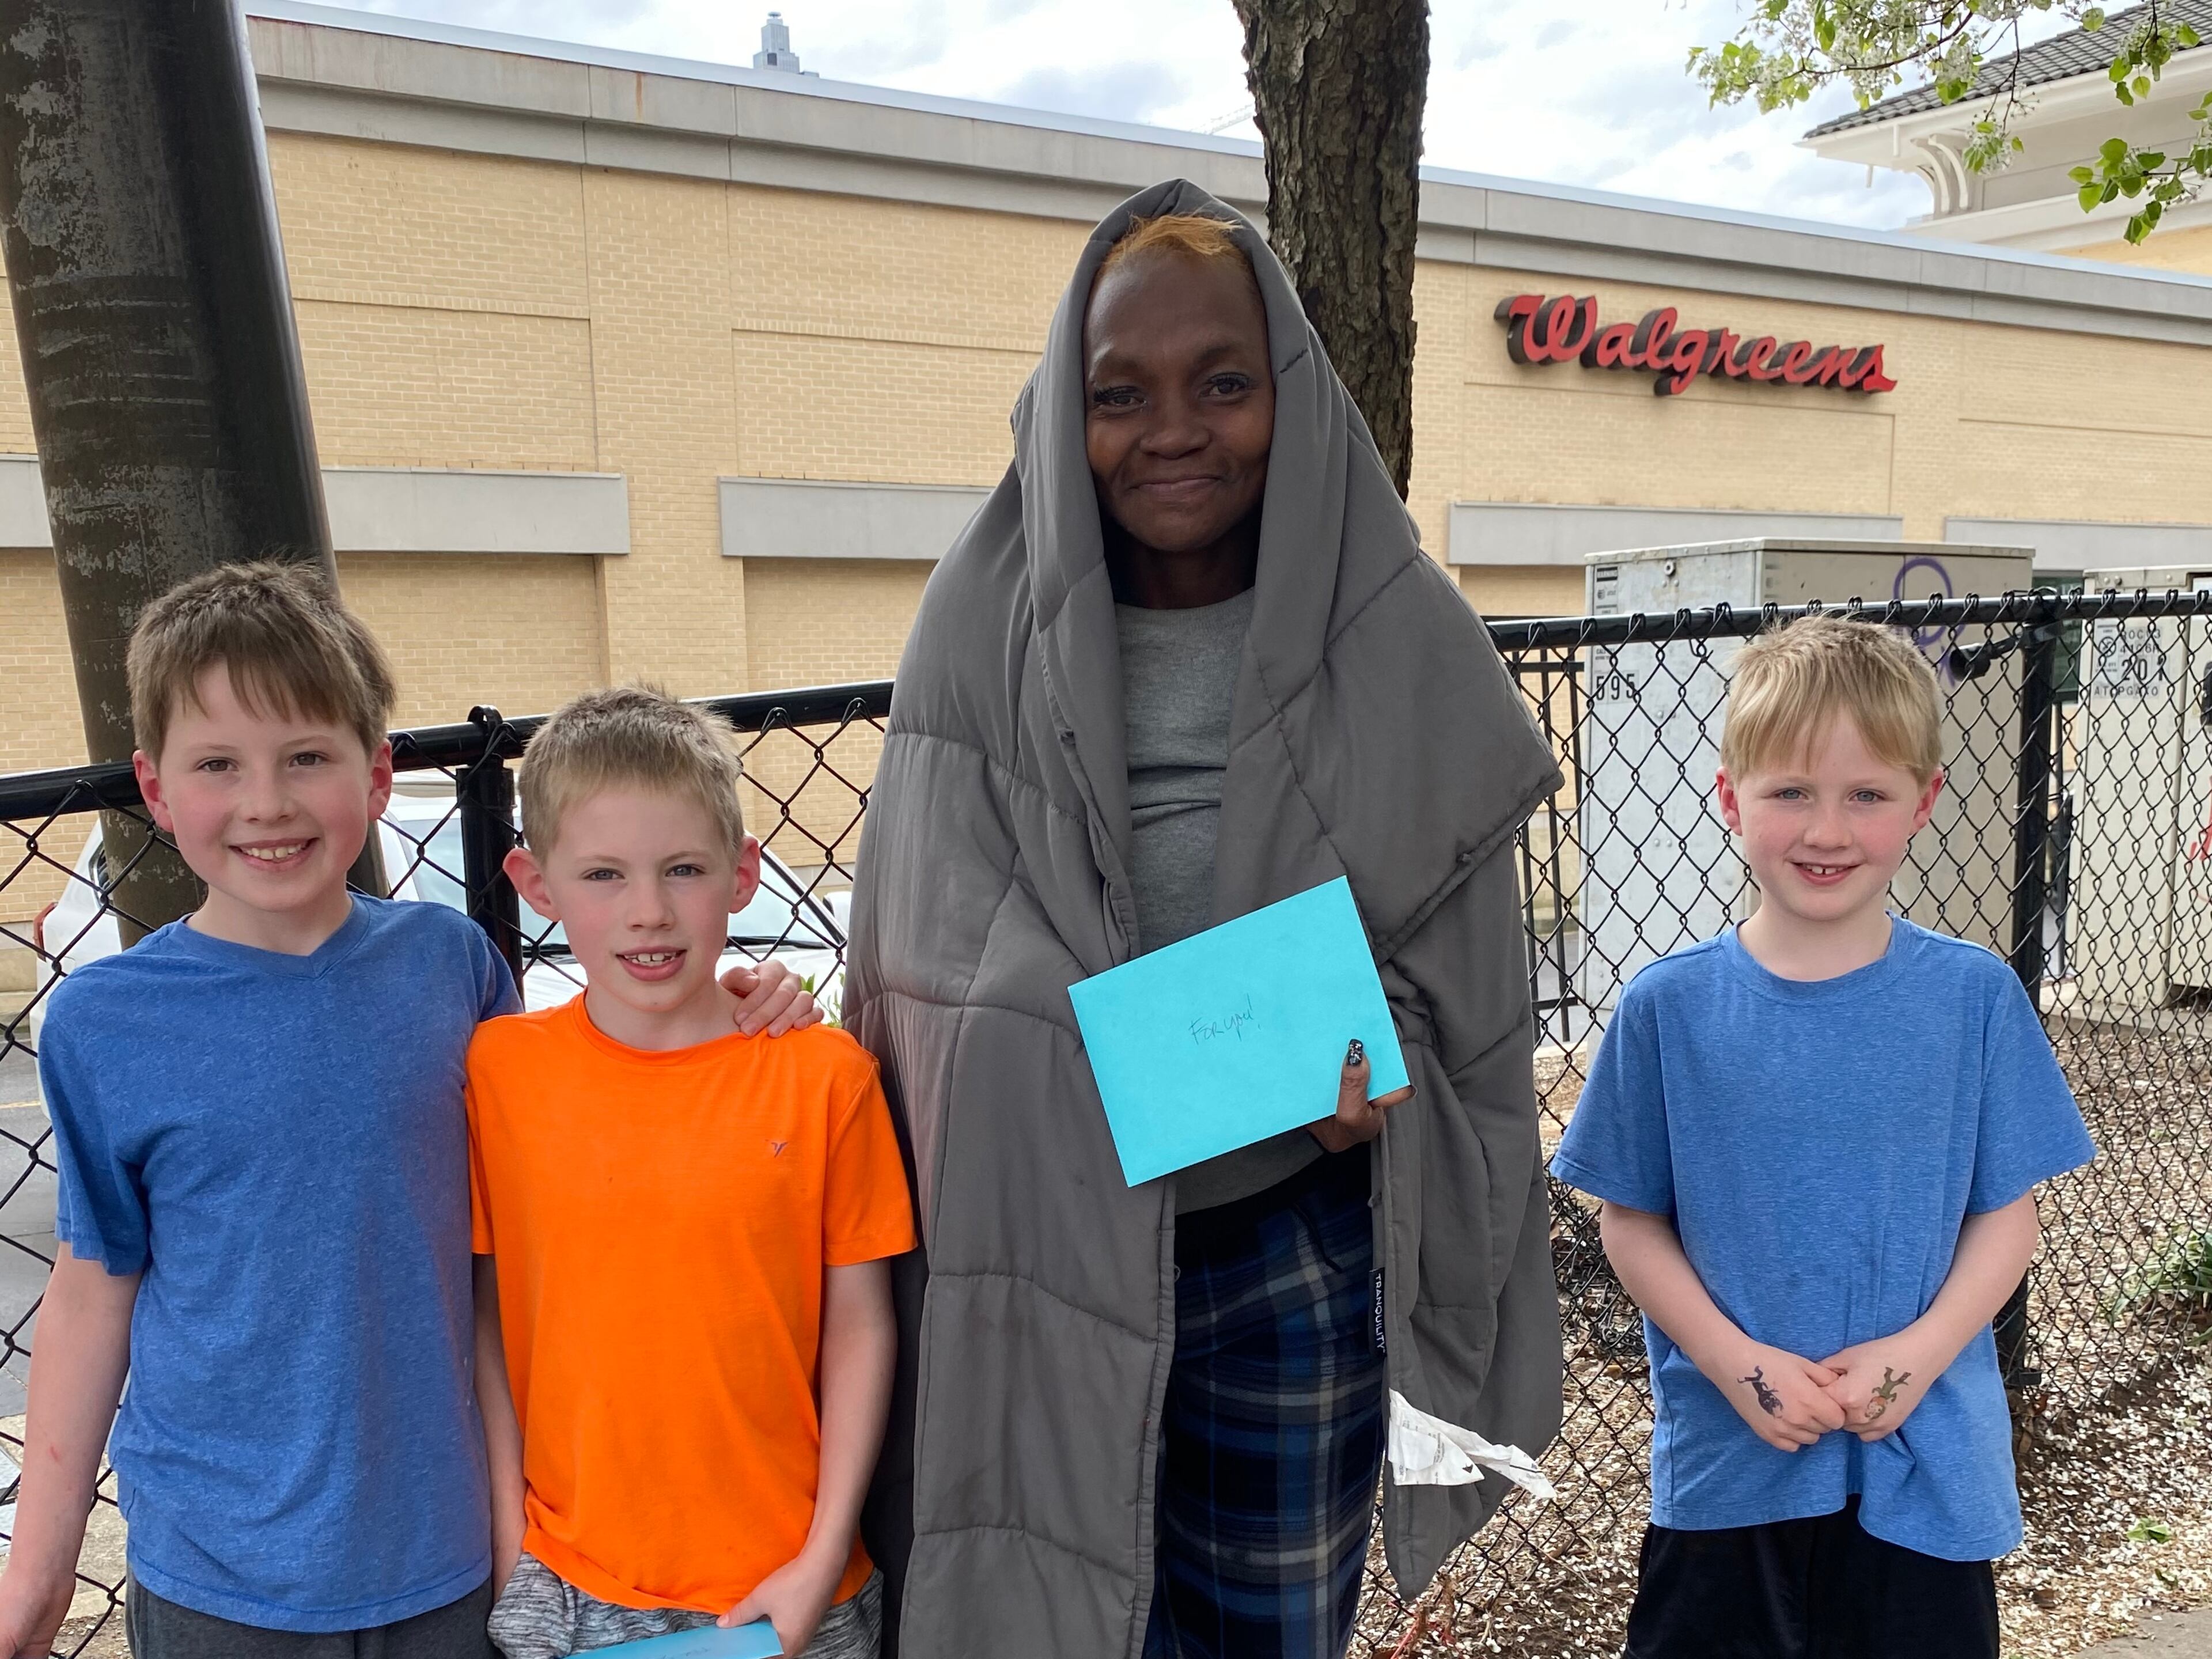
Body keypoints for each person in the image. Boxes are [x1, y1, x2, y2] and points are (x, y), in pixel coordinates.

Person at [843, 181, 1565, 1659]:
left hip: (1290, 1244)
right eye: (1120, 394)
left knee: (1267, 1632)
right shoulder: (976, 633)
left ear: (1290, 394)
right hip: (1038, 1253)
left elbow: (1461, 983)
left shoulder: (1397, 634)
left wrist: (1393, 1097)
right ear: (1064, 412)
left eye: (1222, 383)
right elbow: (916, 967)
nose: (1173, 428)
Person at [0, 564, 817, 1659]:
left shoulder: (450, 965)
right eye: (217, 765)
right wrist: (40, 1573)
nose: (267, 801)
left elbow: (591, 1094)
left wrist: (736, 1002)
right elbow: (94, 1291)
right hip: (218, 1575)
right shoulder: (106, 1023)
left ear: (378, 774)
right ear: (154, 790)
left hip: (452, 1552)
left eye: (306, 757)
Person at [1550, 614, 2097, 1659]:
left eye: (1867, 795)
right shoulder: (1666, 1009)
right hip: (1731, 1468)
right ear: (1729, 798)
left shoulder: (1974, 998)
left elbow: (2008, 1216)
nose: (1827, 830)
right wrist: (1739, 1363)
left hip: (1923, 1463)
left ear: (1925, 802)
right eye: (1791, 791)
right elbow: (1631, 1223)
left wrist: (1918, 1355)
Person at [470, 685, 914, 1659]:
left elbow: (860, 1326)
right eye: (602, 875)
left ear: (743, 873)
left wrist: (824, 1548)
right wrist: (515, 1548)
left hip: (792, 1585)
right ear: (535, 885)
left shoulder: (825, 1076)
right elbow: (492, 1319)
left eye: (682, 869)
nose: (648, 912)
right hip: (571, 1584)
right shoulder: (501, 1072)